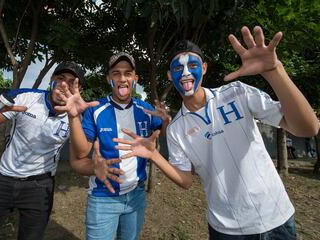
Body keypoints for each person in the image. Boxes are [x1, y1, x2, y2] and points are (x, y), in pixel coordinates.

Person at [113, 26, 319, 239]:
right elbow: (185, 180)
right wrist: (154, 155)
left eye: (192, 65)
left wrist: (274, 71)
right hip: (226, 229)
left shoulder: (237, 92)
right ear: (169, 75)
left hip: (277, 218)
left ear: (203, 68)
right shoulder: (175, 129)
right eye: (177, 68)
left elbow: (308, 128)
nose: (185, 73)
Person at [0, 62, 101, 240]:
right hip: (3, 179)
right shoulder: (25, 98)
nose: (64, 85)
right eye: (60, 79)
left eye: (72, 82)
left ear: (79, 88)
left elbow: (81, 154)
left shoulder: (80, 115)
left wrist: (74, 117)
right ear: (51, 80)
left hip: (40, 186)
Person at [55, 52, 171, 240]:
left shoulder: (145, 108)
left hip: (136, 195)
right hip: (103, 198)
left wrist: (165, 121)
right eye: (116, 73)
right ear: (109, 79)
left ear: (135, 78)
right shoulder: (96, 108)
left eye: (127, 73)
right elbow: (82, 151)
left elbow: (162, 132)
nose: (122, 78)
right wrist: (73, 116)